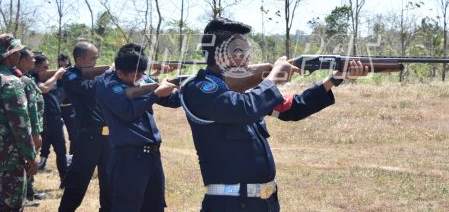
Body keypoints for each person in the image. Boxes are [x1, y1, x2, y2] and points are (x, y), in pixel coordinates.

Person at [180, 18, 369, 211]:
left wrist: (335, 79)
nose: (249, 58)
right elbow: (244, 109)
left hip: (265, 203)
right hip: (230, 204)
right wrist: (274, 77)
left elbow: (293, 108)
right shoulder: (200, 89)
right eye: (242, 52)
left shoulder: (243, 93)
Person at [94, 43, 180, 212]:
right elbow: (127, 112)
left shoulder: (142, 79)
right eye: (135, 75)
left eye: (141, 73)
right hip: (129, 156)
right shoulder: (106, 84)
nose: (140, 78)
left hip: (153, 155)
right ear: (120, 72)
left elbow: (171, 100)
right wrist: (155, 94)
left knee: (154, 206)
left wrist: (186, 85)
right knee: (126, 207)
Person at [0, 34, 38, 211]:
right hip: (11, 155)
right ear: (10, 56)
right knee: (12, 205)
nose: (20, 55)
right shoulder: (12, 82)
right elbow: (20, 124)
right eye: (18, 52)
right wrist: (30, 156)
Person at [59, 42, 112, 212]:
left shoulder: (93, 76)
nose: (96, 62)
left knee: (110, 183)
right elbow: (88, 88)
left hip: (107, 136)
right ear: (80, 60)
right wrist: (107, 74)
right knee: (77, 183)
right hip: (88, 137)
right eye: (93, 58)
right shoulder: (70, 75)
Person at [15, 48, 47, 205]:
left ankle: (29, 192)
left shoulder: (26, 77)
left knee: (29, 161)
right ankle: (26, 195)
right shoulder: (24, 81)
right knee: (28, 161)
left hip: (28, 128)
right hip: (28, 129)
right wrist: (35, 132)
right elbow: (31, 109)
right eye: (32, 58)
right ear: (22, 61)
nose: (35, 61)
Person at [33, 53, 68, 184]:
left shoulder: (47, 78)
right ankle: (28, 188)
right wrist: (57, 74)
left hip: (55, 121)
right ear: (35, 67)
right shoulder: (31, 78)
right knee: (32, 154)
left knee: (61, 152)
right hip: (42, 123)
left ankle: (65, 180)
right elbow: (44, 89)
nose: (47, 70)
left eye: (48, 67)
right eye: (44, 67)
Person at [58, 54, 78, 158]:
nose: (62, 62)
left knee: (73, 134)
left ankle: (71, 155)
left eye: (64, 60)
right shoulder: (56, 74)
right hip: (58, 108)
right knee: (57, 136)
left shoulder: (73, 72)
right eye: (60, 60)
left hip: (69, 107)